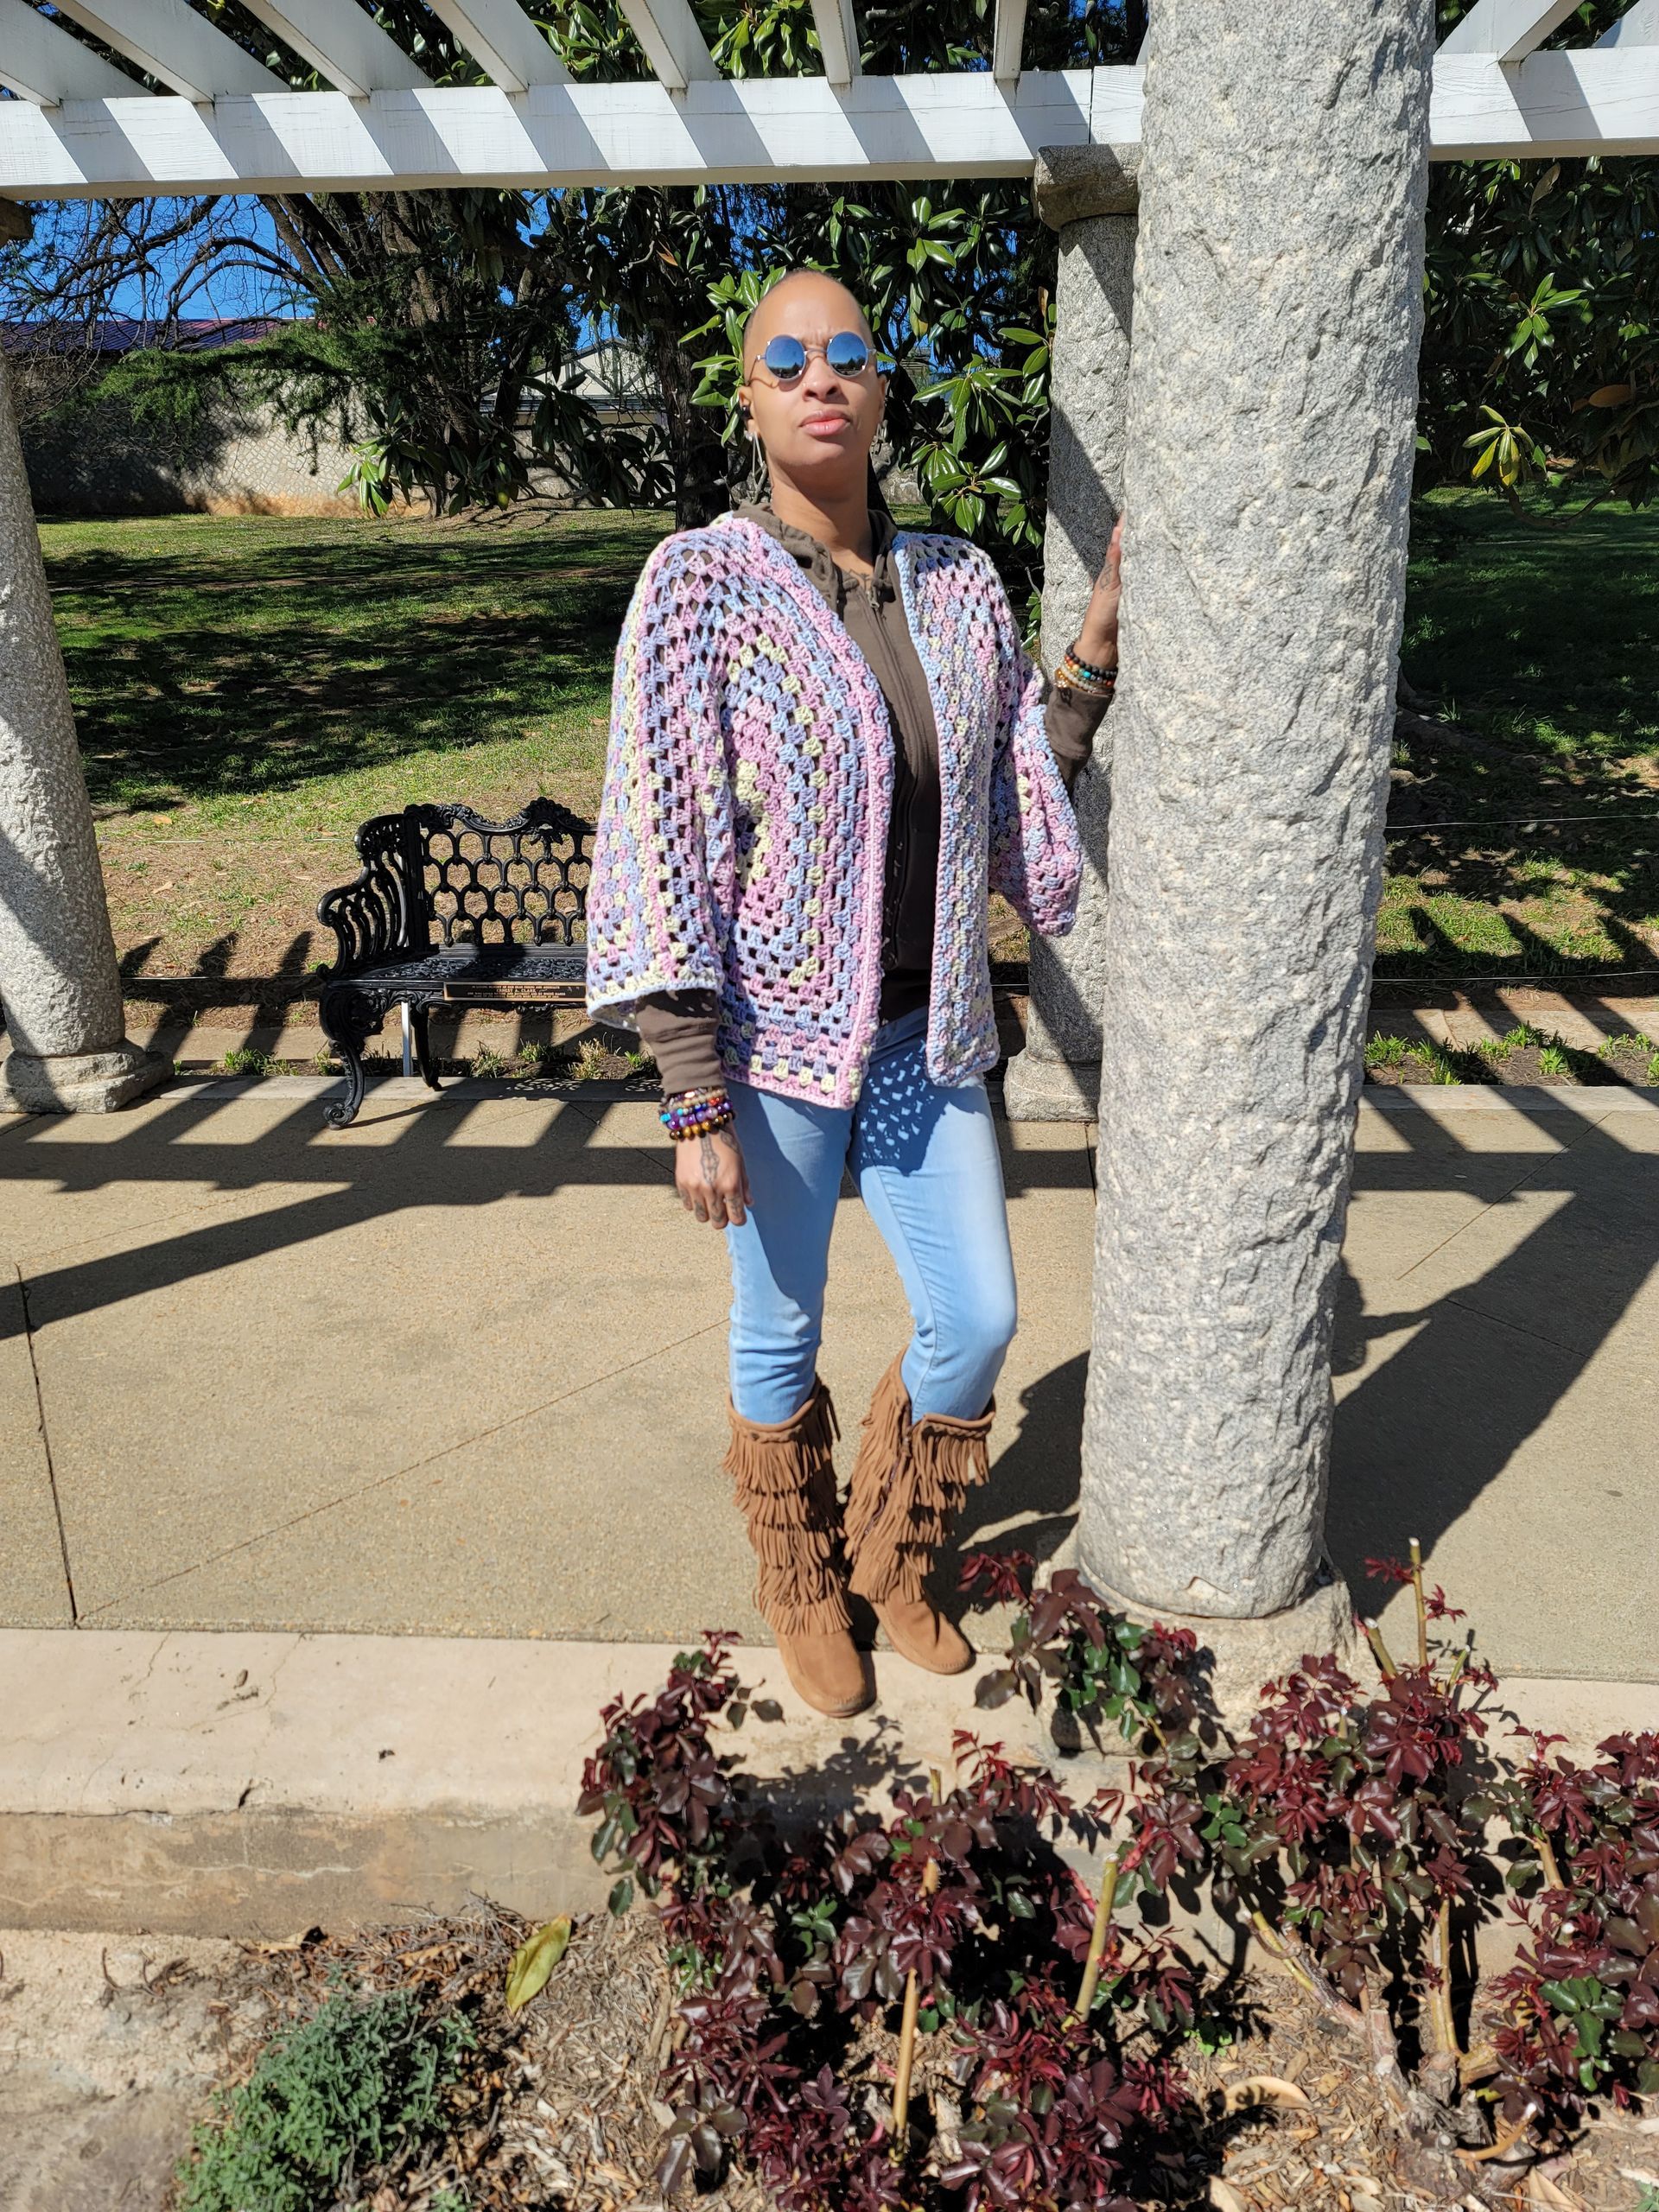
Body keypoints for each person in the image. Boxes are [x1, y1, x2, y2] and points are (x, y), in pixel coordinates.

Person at [585, 268, 1122, 1719]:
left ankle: (893, 1549)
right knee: (780, 1325)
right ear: (750, 401)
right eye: (787, 360)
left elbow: (1008, 795)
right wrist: (691, 1093)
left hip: (924, 1029)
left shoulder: (954, 586)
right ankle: (802, 1583)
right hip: (764, 1048)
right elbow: (661, 839)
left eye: (850, 355)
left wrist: (1085, 664)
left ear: (883, 393)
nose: (823, 377)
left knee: (983, 1316)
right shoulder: (700, 586)